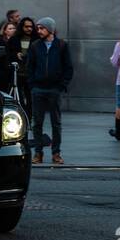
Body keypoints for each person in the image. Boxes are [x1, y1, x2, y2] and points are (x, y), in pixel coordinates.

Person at [26, 17, 73, 165]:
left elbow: (68, 67)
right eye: (38, 28)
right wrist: (32, 85)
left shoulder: (61, 45)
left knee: (56, 123)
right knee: (37, 123)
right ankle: (38, 153)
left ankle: (56, 153)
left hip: (54, 89)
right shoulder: (35, 46)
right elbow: (29, 67)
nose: (39, 31)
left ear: (50, 30)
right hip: (38, 88)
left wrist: (61, 85)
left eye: (42, 28)